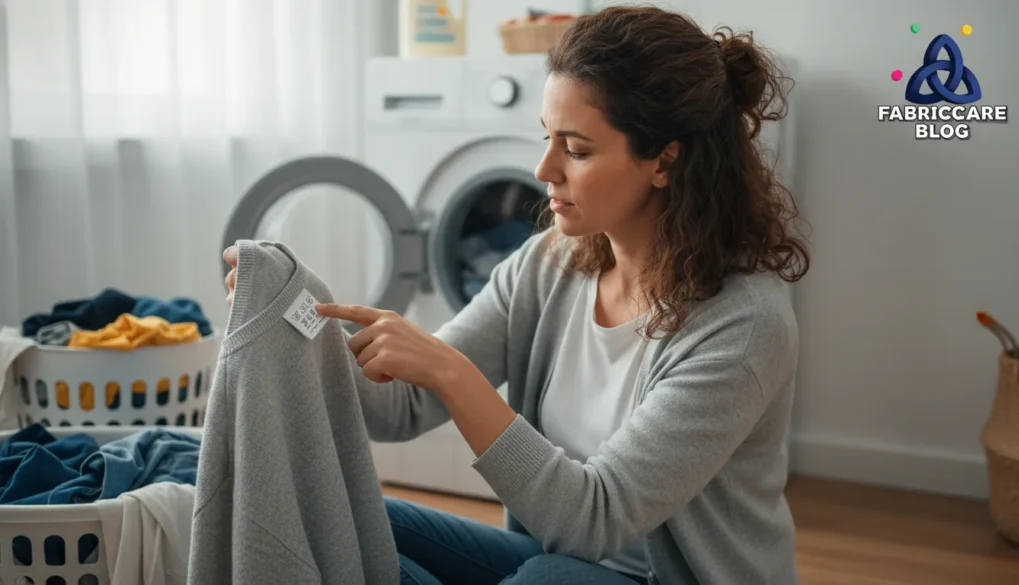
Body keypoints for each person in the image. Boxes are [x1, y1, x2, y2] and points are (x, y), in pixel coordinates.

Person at [223, 5, 809, 584]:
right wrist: (294, 322)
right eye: (547, 138)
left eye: (576, 150)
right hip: (552, 560)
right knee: (354, 523)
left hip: (638, 573)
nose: (543, 168)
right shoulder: (549, 265)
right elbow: (399, 408)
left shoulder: (742, 325)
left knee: (548, 578)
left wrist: (453, 374)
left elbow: (592, 522)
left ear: (663, 160)